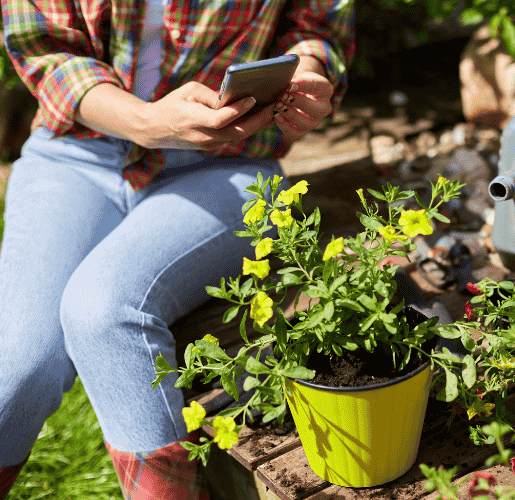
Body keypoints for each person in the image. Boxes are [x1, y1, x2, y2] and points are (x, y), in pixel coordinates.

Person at [0, 0, 354, 497]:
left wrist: (309, 74)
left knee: (103, 311)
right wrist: (144, 121)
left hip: (224, 161)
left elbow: (318, 27)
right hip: (76, 152)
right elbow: (45, 48)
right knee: (16, 368)